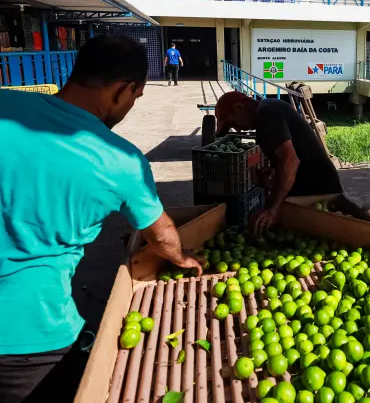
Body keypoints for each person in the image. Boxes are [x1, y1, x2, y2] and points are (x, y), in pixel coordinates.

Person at [0, 36, 203, 402]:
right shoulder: (120, 161)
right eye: (135, 97)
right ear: (122, 90)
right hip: (29, 334)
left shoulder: (6, 104)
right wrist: (182, 258)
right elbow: (161, 236)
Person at [214, 91, 342, 233]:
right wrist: (273, 173)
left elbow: (291, 162)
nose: (237, 129)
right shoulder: (269, 106)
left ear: (238, 108)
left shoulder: (267, 116)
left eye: (232, 123)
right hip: (318, 186)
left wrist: (272, 209)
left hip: (316, 192)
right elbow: (289, 158)